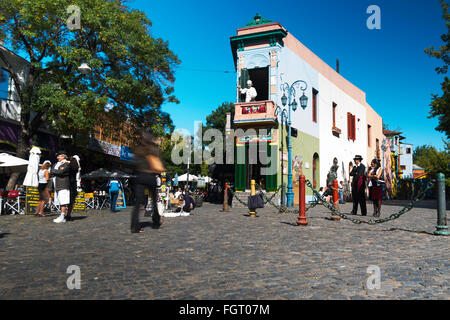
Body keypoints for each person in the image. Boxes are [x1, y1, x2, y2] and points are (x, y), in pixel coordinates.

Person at [130, 131, 166, 233]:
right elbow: (159, 163)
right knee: (154, 201)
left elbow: (133, 163)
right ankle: (155, 222)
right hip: (150, 176)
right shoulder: (154, 149)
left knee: (137, 203)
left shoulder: (138, 149)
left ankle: (134, 226)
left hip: (139, 176)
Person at [51, 151, 71, 223]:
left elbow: (61, 172)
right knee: (60, 201)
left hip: (63, 185)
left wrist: (54, 171)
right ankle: (62, 215)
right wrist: (55, 171)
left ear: (63, 156)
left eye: (59, 156)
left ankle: (62, 216)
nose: (57, 157)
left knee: (63, 201)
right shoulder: (56, 164)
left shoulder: (67, 164)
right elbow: (52, 170)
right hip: (57, 185)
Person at [66, 155, 80, 221]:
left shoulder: (71, 166)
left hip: (69, 184)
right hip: (73, 184)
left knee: (69, 200)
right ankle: (68, 214)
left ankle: (67, 214)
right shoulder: (76, 167)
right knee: (71, 202)